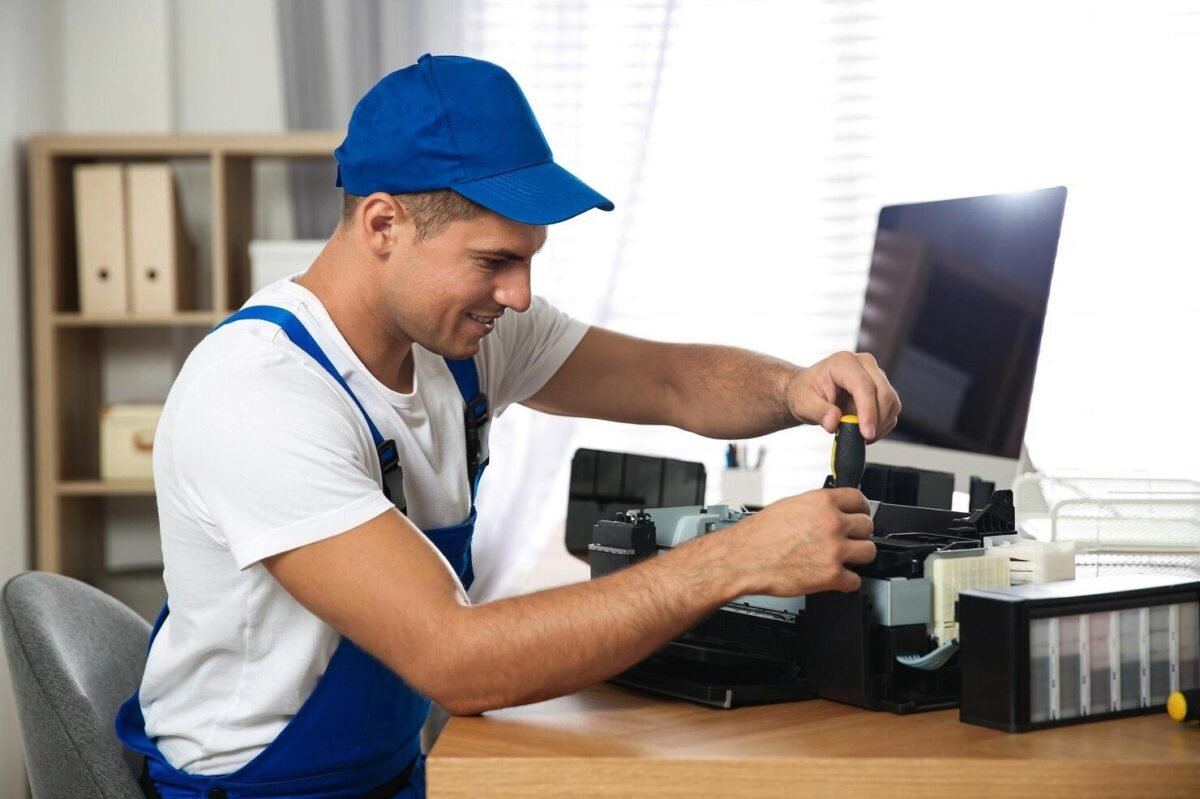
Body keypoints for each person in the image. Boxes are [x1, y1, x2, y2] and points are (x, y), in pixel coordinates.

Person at [116, 54, 900, 799]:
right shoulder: (261, 394)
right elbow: (456, 658)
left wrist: (794, 386)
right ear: (384, 225)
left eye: (531, 260)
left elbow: (668, 381)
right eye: (494, 261)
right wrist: (732, 559)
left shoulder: (458, 339)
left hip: (394, 775)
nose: (520, 295)